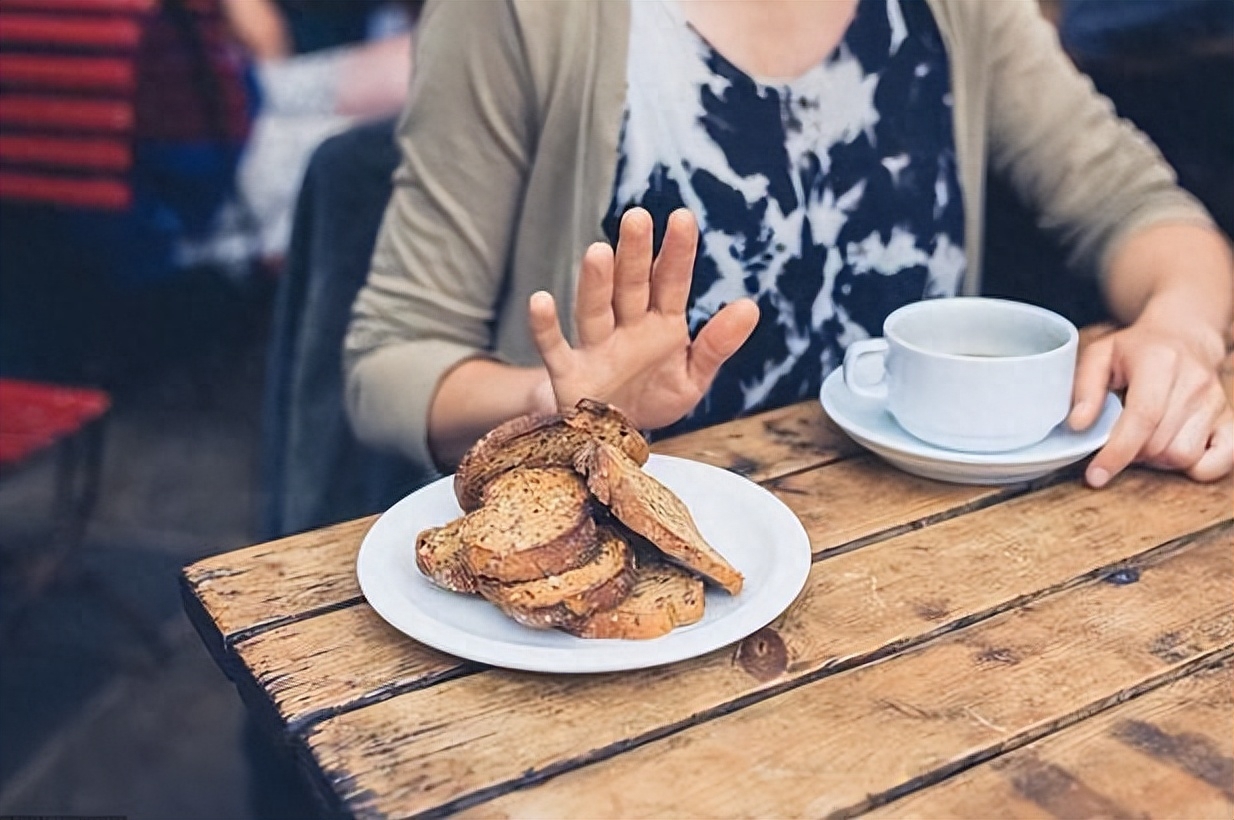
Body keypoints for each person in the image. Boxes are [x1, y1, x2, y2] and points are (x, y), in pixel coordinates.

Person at [343, 0, 1233, 491]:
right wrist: (556, 398)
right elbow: (387, 363)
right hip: (626, 590)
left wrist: (1182, 332)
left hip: (919, 556)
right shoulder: (519, 14)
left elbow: (1142, 210)